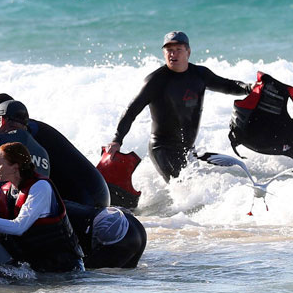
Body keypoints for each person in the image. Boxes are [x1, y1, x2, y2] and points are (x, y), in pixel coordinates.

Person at [106, 31, 251, 182]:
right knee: (184, 188)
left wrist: (249, 88)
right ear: (164, 53)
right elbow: (131, 111)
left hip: (187, 149)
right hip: (162, 148)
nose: (173, 54)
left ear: (188, 52)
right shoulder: (155, 81)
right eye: (169, 50)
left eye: (178, 50)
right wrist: (117, 140)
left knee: (194, 188)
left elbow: (228, 85)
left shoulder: (200, 74)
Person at [0, 93, 110, 208]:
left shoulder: (23, 138)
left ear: (2, 118)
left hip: (84, 201)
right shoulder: (25, 131)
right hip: (95, 197)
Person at [0, 142, 84, 273]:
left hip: (66, 270)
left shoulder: (41, 187)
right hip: (37, 269)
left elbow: (19, 227)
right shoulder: (5, 191)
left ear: (15, 167)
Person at [64, 201, 147, 269]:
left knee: (86, 272)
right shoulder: (62, 204)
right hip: (133, 224)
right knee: (127, 275)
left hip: (116, 231)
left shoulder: (57, 211)